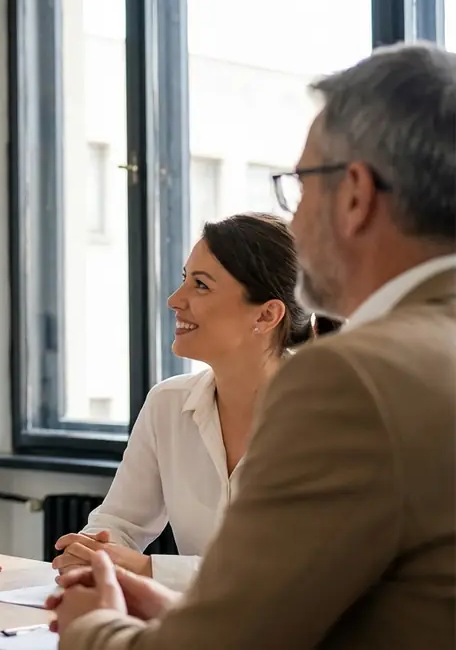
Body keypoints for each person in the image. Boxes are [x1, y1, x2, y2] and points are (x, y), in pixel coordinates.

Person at [49, 41, 456, 649]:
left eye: (301, 186)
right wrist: (175, 605)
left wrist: (91, 627)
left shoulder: (349, 378)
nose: (294, 220)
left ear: (354, 194)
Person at [53, 212, 333, 592]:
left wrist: (148, 569)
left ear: (267, 315)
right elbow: (119, 521)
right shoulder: (168, 404)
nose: (174, 300)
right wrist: (94, 554)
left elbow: (293, 574)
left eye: (200, 285)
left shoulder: (330, 418)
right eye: (185, 279)